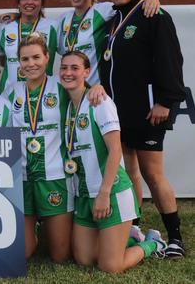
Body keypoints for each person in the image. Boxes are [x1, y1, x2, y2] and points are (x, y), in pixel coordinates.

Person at [101, 0, 187, 258]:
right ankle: (134, 228)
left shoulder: (154, 15)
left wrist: (165, 101)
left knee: (153, 173)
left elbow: (171, 59)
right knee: (130, 172)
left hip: (149, 111)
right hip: (120, 111)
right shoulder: (115, 18)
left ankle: (175, 237)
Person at [60, 51, 166, 273]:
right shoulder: (69, 106)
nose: (68, 73)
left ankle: (152, 243)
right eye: (64, 68)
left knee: (110, 266)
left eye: (75, 68)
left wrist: (104, 193)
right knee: (84, 259)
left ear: (87, 72)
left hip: (111, 193)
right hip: (83, 195)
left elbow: (116, 149)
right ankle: (127, 237)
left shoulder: (100, 102)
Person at [10, 32, 71, 262]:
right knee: (23, 253)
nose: (31, 64)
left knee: (60, 256)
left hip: (54, 176)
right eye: (25, 59)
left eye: (36, 57)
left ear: (47, 57)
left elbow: (85, 96)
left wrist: (97, 89)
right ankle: (35, 228)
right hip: (23, 178)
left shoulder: (62, 85)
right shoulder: (12, 90)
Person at [56, 0, 160, 86]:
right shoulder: (63, 19)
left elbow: (130, 7)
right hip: (71, 89)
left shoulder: (103, 10)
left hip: (95, 90)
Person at [0, 0, 57, 95]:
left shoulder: (53, 27)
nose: (29, 2)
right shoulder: (5, 27)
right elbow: (0, 57)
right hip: (9, 92)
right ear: (19, 3)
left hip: (43, 93)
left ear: (42, 4)